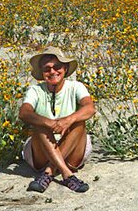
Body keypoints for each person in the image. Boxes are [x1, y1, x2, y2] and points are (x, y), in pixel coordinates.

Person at [19, 46, 95, 193]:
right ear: (42, 72)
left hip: (72, 149)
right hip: (42, 150)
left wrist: (68, 120)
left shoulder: (76, 87)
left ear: (65, 68)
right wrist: (51, 123)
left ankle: (49, 171)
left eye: (57, 67)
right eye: (47, 69)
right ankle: (67, 175)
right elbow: (24, 112)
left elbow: (90, 108)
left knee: (79, 122)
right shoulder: (35, 90)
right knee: (40, 124)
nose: (53, 71)